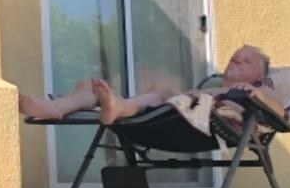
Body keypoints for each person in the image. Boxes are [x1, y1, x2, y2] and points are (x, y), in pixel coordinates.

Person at [18, 44, 274, 126]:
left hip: (191, 124)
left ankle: (116, 106)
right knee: (89, 85)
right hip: (164, 115)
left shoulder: (257, 92)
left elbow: (280, 112)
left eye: (247, 60)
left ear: (259, 77)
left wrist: (258, 95)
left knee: (162, 89)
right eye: (236, 56)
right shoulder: (210, 86)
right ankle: (53, 107)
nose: (238, 59)